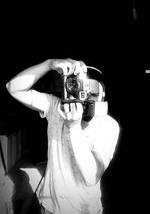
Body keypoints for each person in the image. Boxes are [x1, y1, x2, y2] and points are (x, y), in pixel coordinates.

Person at [6, 58, 120, 214]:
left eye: (91, 91)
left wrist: (73, 128)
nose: (84, 95)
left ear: (103, 93)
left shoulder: (108, 125)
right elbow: (13, 88)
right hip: (48, 207)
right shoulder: (56, 107)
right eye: (76, 85)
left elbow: (91, 176)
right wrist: (49, 64)